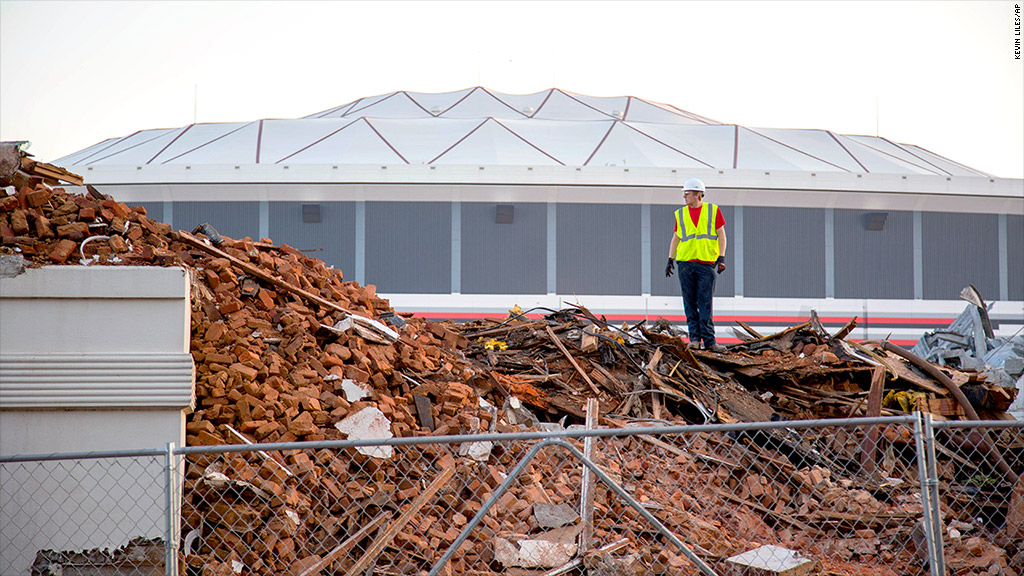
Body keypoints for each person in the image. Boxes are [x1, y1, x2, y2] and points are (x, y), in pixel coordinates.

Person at [664, 178, 728, 353]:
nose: (684, 196)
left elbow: (721, 235)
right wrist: (670, 259)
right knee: (689, 302)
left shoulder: (712, 211)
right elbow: (676, 237)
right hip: (685, 264)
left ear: (698, 194)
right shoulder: (681, 214)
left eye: (688, 193)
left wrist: (721, 258)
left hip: (706, 265)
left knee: (705, 303)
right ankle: (694, 340)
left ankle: (709, 341)